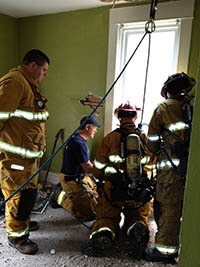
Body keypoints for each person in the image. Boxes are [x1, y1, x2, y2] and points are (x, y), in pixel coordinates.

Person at [81, 102, 153, 259]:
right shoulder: (143, 138)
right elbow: (151, 164)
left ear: (119, 117)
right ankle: (137, 230)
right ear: (135, 117)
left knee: (107, 217)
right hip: (137, 190)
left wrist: (100, 184)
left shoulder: (110, 138)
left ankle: (104, 235)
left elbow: (98, 167)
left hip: (113, 189)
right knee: (137, 216)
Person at [0, 49, 50, 254]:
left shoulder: (29, 85)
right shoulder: (15, 82)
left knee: (29, 193)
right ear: (33, 66)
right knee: (18, 195)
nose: (44, 75)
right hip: (15, 157)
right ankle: (16, 236)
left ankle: (23, 223)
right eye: (44, 70)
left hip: (29, 157)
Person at [144, 72, 195, 264]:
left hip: (171, 170)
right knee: (182, 207)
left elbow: (152, 142)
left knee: (168, 207)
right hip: (190, 168)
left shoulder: (164, 108)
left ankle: (165, 251)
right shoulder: (192, 105)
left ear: (167, 92)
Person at [50, 116, 102, 222]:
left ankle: (73, 195)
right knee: (90, 215)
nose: (96, 130)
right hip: (71, 180)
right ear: (87, 127)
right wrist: (104, 168)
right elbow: (89, 169)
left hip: (79, 176)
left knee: (97, 199)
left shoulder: (77, 138)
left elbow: (84, 164)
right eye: (95, 128)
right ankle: (60, 195)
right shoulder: (79, 144)